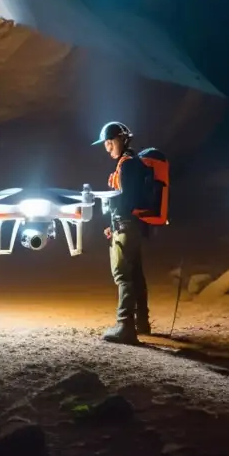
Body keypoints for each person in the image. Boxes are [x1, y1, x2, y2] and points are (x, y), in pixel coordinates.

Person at [93, 121, 150, 344]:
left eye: (110, 142)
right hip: (133, 226)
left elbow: (126, 199)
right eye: (106, 144)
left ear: (122, 139)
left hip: (125, 227)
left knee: (122, 275)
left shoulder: (127, 165)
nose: (107, 148)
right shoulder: (133, 163)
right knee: (135, 274)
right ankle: (142, 323)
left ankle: (125, 325)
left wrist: (115, 223)